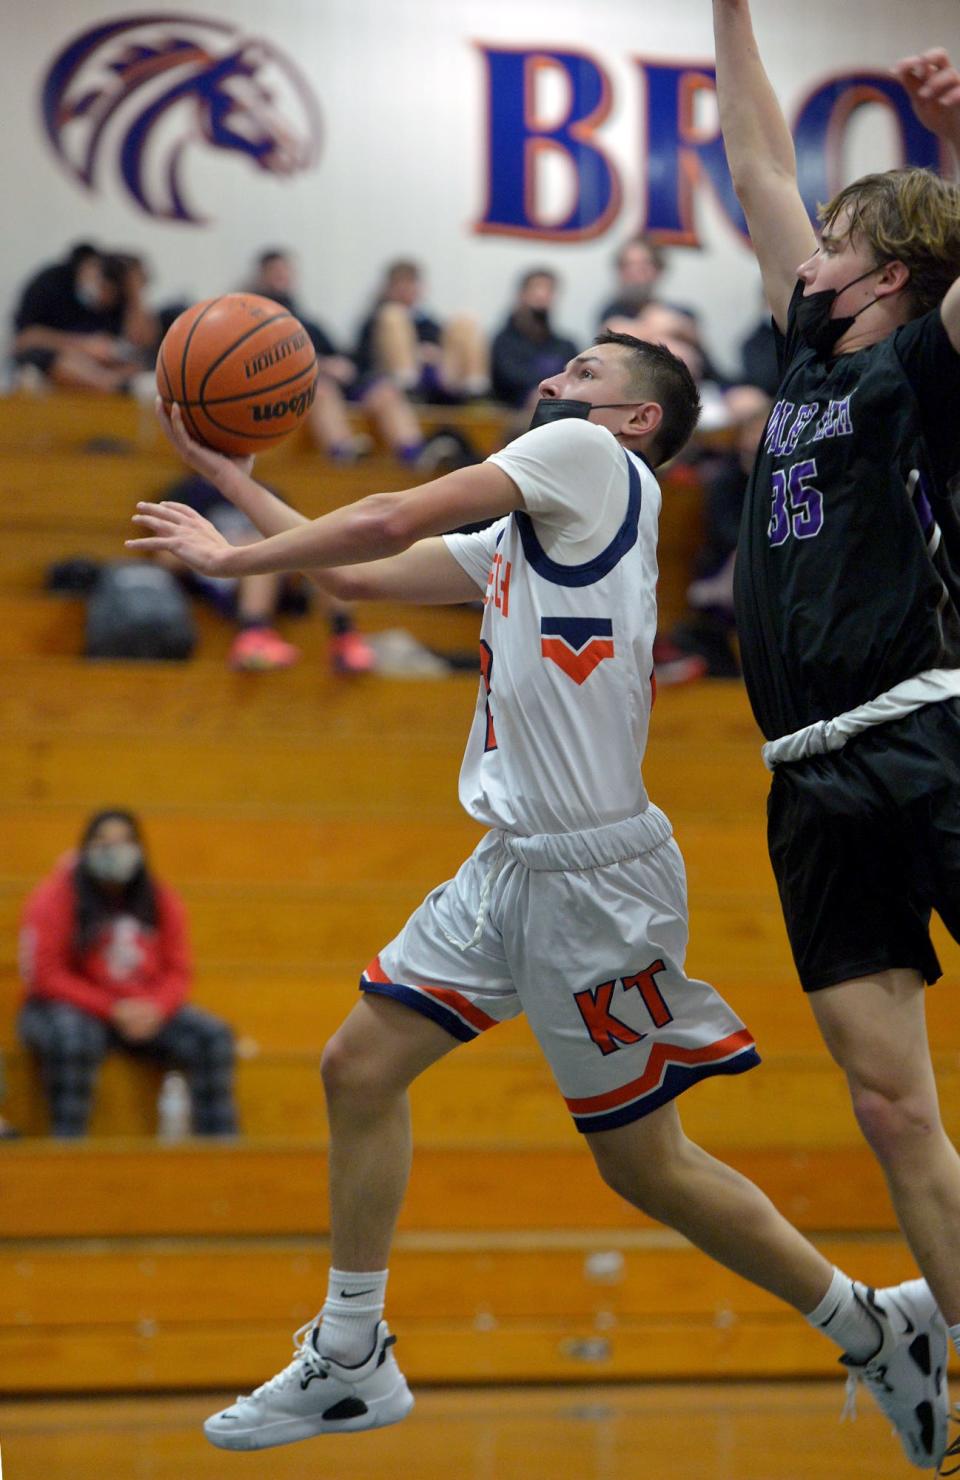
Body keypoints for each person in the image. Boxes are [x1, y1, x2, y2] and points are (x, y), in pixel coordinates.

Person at [128, 331, 942, 1466]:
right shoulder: (544, 511)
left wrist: (224, 561)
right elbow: (358, 574)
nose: (556, 381)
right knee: (356, 1067)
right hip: (511, 863)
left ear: (634, 420)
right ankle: (353, 1350)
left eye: (586, 372)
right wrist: (232, 478)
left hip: (593, 883)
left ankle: (869, 1324)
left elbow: (379, 520)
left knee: (645, 1164)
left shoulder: (586, 460)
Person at [713, 6, 960, 1468]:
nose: (802, 249)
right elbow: (754, 161)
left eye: (831, 234)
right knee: (886, 1103)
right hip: (809, 782)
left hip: (931, 741)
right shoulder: (804, 362)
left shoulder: (924, 370)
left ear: (897, 268)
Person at [18, 809, 238, 1138]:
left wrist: (155, 1008)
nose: (114, 851)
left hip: (143, 1010)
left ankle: (223, 1155)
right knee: (73, 1038)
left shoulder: (159, 898)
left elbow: (178, 971)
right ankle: (66, 1151)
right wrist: (110, 1008)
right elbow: (46, 975)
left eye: (124, 842)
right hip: (74, 1009)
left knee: (213, 1037)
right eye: (103, 842)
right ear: (86, 847)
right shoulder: (56, 896)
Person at [155, 474, 376, 673]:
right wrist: (227, 550)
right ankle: (254, 633)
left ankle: (345, 638)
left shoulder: (265, 491)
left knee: (327, 549)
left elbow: (296, 537)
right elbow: (166, 556)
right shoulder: (188, 493)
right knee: (256, 546)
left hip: (277, 573)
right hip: (220, 576)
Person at [249, 251, 430, 466]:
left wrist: (339, 366)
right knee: (320, 389)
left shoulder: (306, 321)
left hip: (342, 384)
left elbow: (340, 356)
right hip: (297, 388)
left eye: (285, 271)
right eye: (275, 272)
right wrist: (319, 366)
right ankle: (342, 450)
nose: (282, 276)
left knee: (385, 391)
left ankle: (414, 453)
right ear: (262, 275)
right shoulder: (252, 321)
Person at [10, 243, 154, 393]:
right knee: (60, 361)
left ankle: (113, 383)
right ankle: (112, 384)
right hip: (55, 364)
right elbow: (23, 340)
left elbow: (143, 341)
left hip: (104, 368)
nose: (105, 298)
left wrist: (135, 292)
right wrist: (84, 346)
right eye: (103, 288)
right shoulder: (50, 283)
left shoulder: (120, 297)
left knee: (136, 364)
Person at [353, 259, 489, 403]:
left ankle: (476, 391)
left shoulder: (426, 321)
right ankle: (406, 386)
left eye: (411, 283)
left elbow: (442, 344)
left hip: (435, 377)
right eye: (401, 284)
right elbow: (364, 359)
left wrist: (435, 354)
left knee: (465, 322)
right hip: (392, 381)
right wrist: (412, 353)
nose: (406, 289)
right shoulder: (378, 319)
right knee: (394, 315)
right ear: (389, 287)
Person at [490, 267, 577, 412]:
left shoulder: (566, 346)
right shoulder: (504, 342)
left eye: (549, 290)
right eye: (536, 288)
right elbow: (506, 381)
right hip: (512, 415)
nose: (542, 295)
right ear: (521, 294)